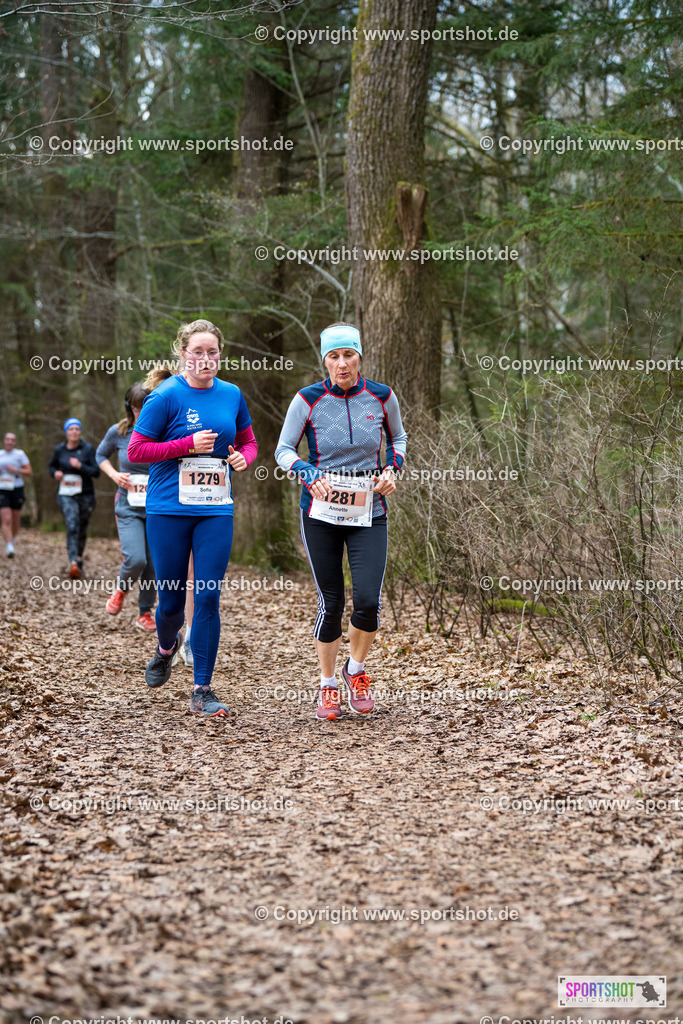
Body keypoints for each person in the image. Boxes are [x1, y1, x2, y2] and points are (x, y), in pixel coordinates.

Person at [275, 322, 407, 721]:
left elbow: (398, 440)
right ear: (325, 361)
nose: (342, 363)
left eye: (348, 354)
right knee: (331, 604)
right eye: (333, 356)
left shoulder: (382, 397)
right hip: (320, 513)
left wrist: (391, 469)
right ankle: (328, 684)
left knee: (368, 601)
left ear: (359, 356)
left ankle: (357, 670)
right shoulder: (307, 399)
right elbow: (283, 450)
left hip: (370, 511)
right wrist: (306, 472)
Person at [128, 319, 258, 717]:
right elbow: (136, 450)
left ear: (221, 354)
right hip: (168, 509)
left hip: (216, 507)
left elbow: (249, 442)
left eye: (212, 352)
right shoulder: (164, 396)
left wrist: (242, 458)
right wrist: (184, 445)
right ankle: (166, 647)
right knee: (170, 603)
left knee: (208, 595)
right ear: (182, 353)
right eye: (198, 351)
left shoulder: (232, 394)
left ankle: (203, 689)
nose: (206, 358)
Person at [96, 384, 157, 630]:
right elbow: (100, 456)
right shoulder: (119, 431)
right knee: (136, 559)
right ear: (129, 408)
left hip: (156, 507)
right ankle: (121, 591)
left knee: (153, 563)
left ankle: (145, 613)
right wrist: (114, 475)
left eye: (146, 407)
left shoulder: (162, 431)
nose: (141, 412)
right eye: (136, 407)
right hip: (128, 506)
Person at [49, 418, 100, 579]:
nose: (74, 432)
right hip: (66, 494)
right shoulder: (59, 450)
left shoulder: (87, 449)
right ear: (66, 432)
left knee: (82, 526)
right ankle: (73, 562)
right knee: (72, 523)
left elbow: (96, 471)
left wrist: (80, 467)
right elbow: (52, 466)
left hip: (85, 494)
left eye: (77, 429)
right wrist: (55, 473)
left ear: (80, 432)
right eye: (70, 429)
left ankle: (78, 558)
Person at [0, 432, 32, 557]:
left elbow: (29, 471)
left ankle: (11, 539)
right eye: (7, 439)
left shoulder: (20, 454)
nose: (9, 442)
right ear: (4, 441)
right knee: (6, 518)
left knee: (15, 518)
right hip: (2, 489)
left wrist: (16, 470)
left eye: (12, 440)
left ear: (15, 442)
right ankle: (9, 545)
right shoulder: (0, 454)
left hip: (17, 488)